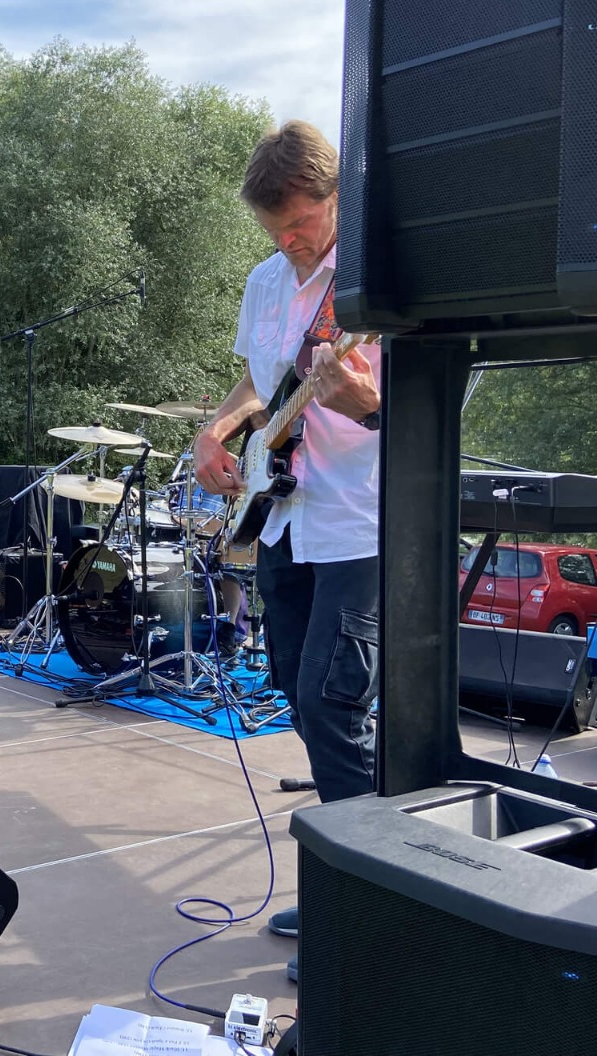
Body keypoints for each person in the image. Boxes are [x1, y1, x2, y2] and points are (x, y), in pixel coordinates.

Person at [191, 121, 381, 974]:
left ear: (337, 196)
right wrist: (217, 426)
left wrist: (364, 401)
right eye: (274, 230)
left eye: (301, 225)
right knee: (296, 696)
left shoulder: (377, 278)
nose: (290, 242)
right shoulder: (266, 281)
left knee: (333, 704)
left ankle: (364, 905)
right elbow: (259, 381)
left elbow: (418, 401)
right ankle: (357, 872)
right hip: (283, 515)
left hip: (361, 523)